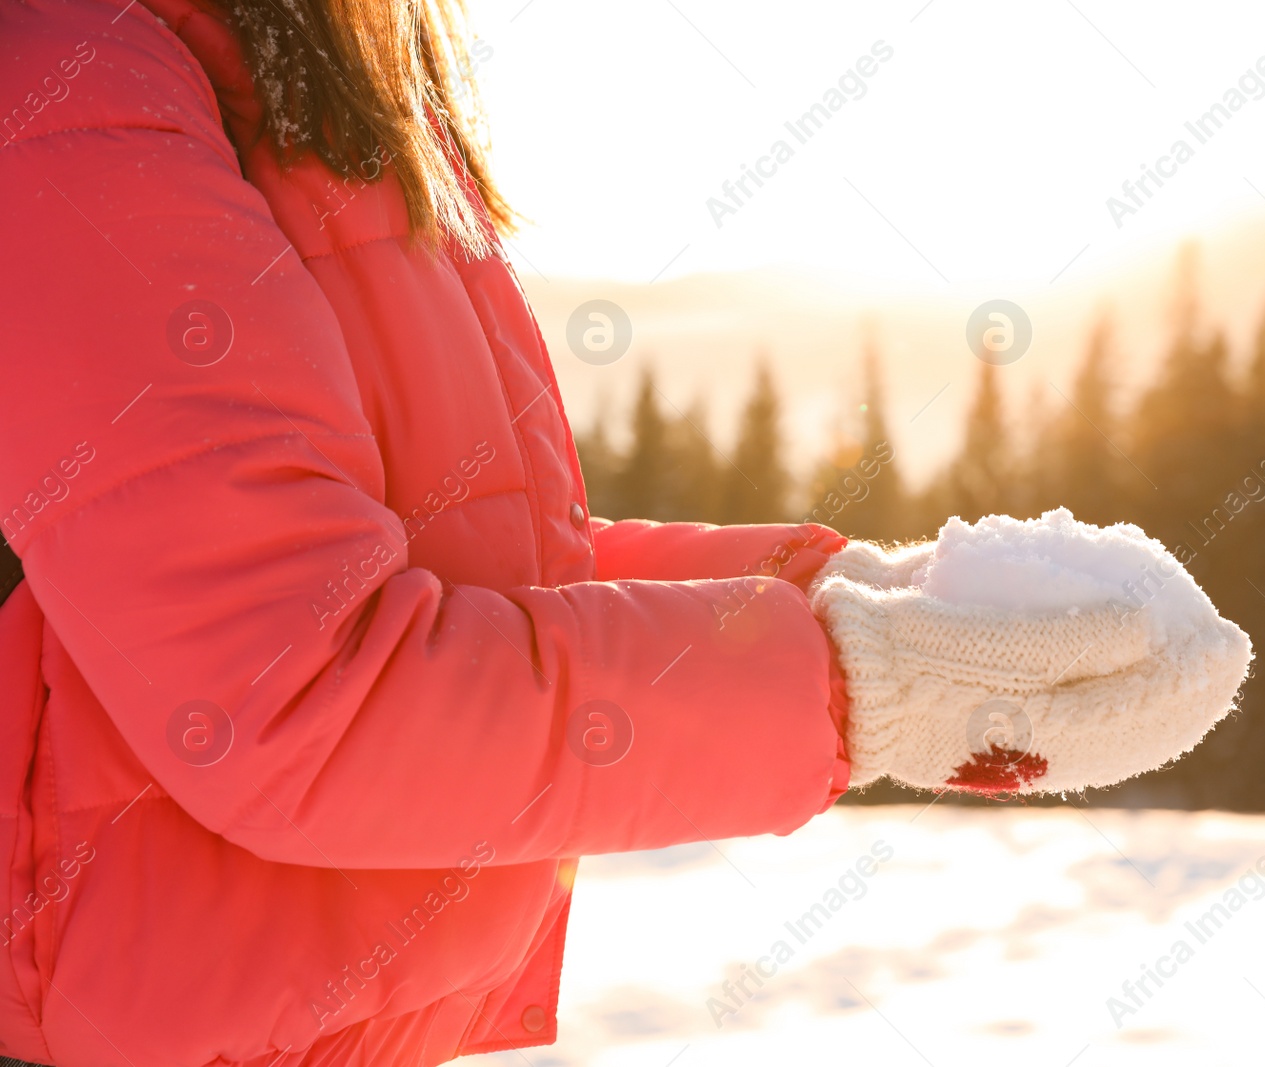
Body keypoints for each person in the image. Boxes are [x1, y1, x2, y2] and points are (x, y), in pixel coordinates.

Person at [0, 0, 853, 1062]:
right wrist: (851, 679)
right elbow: (299, 690)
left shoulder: (315, 53)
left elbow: (469, 563)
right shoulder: (68, 76)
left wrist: (847, 604)